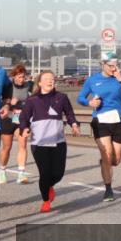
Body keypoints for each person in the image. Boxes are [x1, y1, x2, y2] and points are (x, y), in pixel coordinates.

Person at [18, 71, 80, 213]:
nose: (50, 81)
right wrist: (25, 128)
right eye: (46, 79)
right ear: (39, 83)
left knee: (58, 173)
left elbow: (70, 114)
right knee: (45, 174)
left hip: (58, 141)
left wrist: (74, 125)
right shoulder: (32, 100)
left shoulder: (62, 97)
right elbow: (24, 118)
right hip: (39, 143)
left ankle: (48, 186)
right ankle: (46, 200)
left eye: (52, 79)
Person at [77, 54, 121, 201]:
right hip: (100, 121)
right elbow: (80, 98)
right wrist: (90, 104)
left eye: (115, 65)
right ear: (103, 64)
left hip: (118, 121)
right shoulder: (93, 80)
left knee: (116, 160)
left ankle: (105, 162)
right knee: (107, 154)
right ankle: (108, 189)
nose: (114, 69)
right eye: (110, 66)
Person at [0, 64, 32, 184]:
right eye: (18, 76)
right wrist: (8, 102)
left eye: (23, 76)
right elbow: (1, 99)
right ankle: (2, 170)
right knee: (7, 147)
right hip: (8, 118)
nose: (21, 79)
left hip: (21, 119)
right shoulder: (8, 87)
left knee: (23, 144)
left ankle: (21, 174)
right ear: (13, 76)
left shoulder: (29, 86)